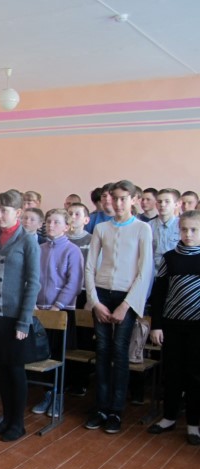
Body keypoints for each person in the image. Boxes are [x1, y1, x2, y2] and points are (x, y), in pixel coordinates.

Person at [84, 180, 153, 434]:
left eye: (124, 198)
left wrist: (127, 305)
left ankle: (115, 410)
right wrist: (95, 302)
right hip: (102, 293)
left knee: (120, 351)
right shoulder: (102, 228)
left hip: (127, 296)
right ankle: (101, 407)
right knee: (102, 350)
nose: (118, 203)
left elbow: (144, 271)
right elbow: (89, 267)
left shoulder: (142, 228)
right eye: (115, 198)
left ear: (133, 199)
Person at [0, 190, 41, 442]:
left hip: (14, 317)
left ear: (18, 213)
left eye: (4, 210)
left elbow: (33, 283)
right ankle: (5, 418)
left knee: (14, 369)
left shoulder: (27, 240)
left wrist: (24, 321)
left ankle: (17, 423)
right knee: (0, 369)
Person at [147, 210, 200, 445]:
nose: (188, 234)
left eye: (194, 230)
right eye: (184, 229)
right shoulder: (169, 258)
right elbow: (159, 294)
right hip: (172, 324)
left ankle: (193, 423)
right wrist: (156, 325)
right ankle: (168, 417)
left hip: (197, 327)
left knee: (195, 375)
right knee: (172, 372)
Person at [31, 208, 84, 417]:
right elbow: (31, 278)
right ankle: (46, 394)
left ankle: (58, 396)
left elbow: (74, 283)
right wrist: (33, 302)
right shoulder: (39, 248)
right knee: (42, 355)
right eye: (48, 221)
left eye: (56, 222)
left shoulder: (72, 250)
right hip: (39, 310)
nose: (50, 225)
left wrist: (57, 306)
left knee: (58, 356)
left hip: (61, 311)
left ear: (66, 227)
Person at [151, 188, 181, 274]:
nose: (162, 205)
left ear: (176, 204)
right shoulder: (148, 226)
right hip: (154, 273)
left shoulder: (181, 225)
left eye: (167, 201)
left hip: (175, 272)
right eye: (159, 202)